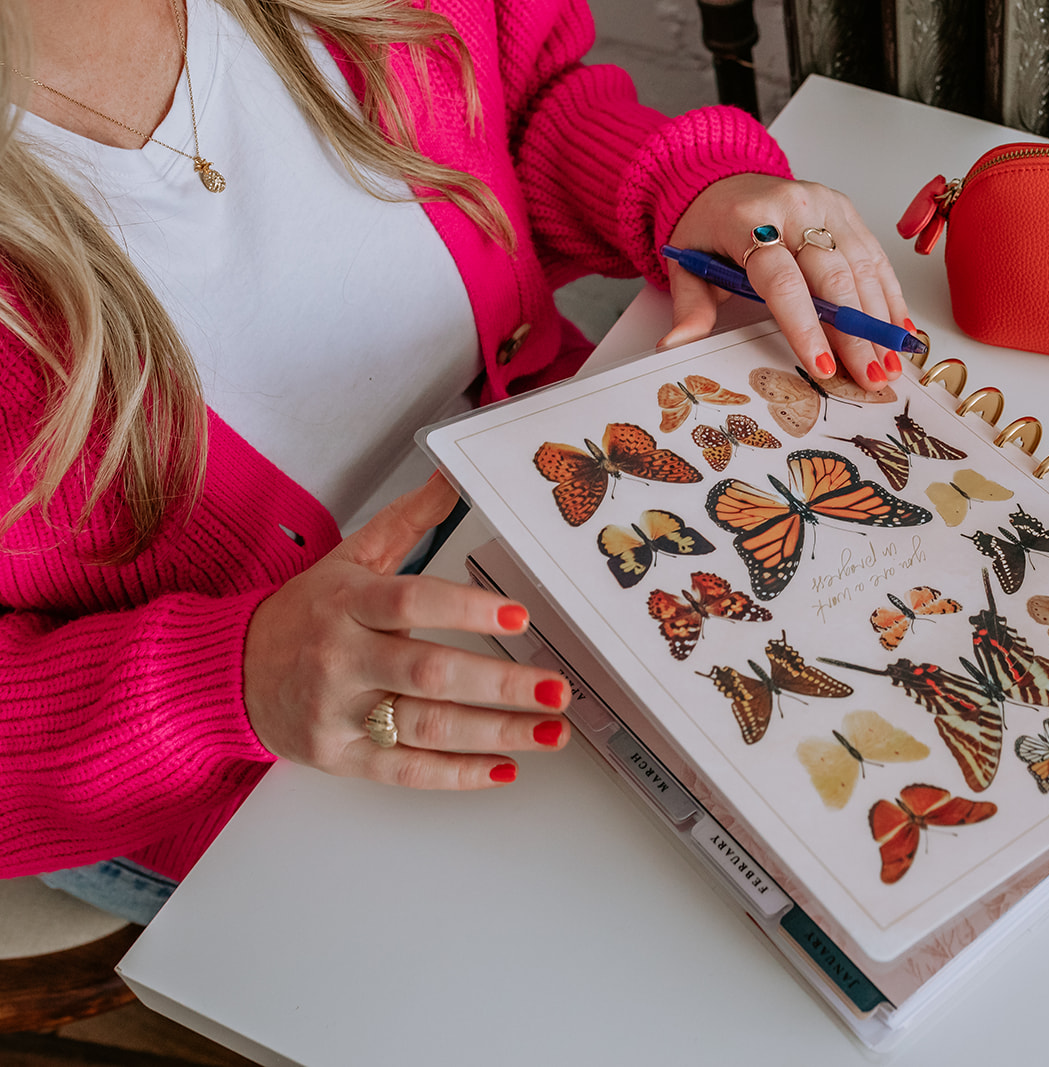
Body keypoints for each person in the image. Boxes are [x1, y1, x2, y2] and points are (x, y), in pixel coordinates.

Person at [0, 0, 913, 923]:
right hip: (251, 786)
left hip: (575, 550)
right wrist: (225, 682)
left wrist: (686, 190)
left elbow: (522, 103)